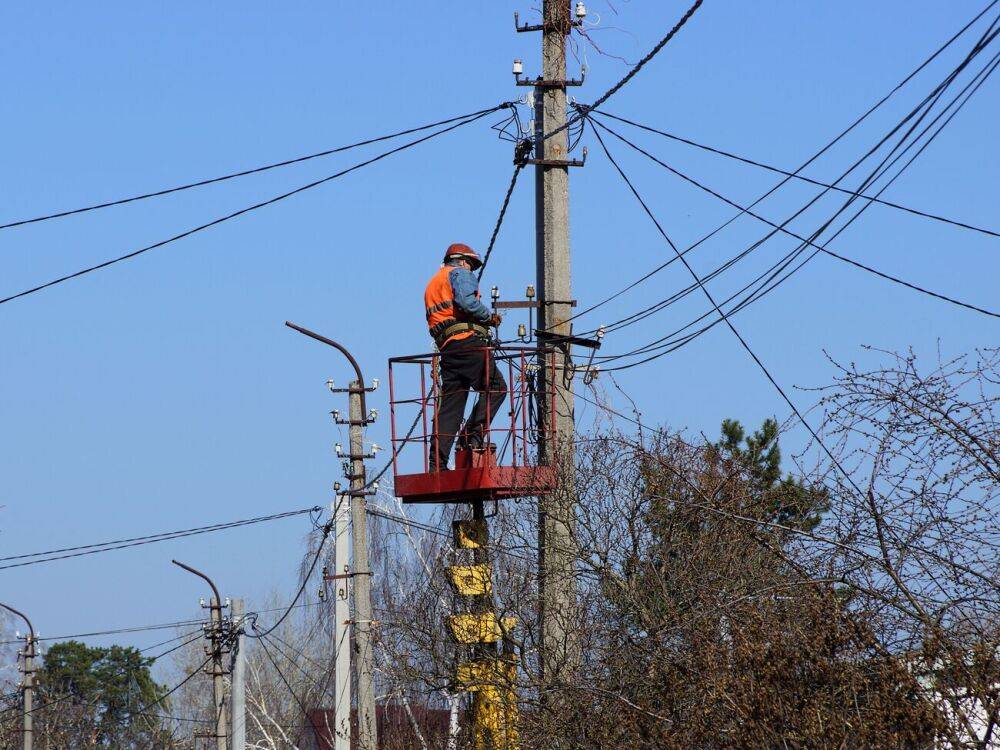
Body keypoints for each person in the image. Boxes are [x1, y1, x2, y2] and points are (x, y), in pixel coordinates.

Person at [424, 243, 507, 471]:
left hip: (448, 349)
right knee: (497, 388)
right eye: (470, 264)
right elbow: (466, 302)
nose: (471, 269)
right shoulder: (460, 274)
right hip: (468, 343)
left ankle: (437, 465)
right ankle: (471, 436)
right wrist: (488, 317)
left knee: (451, 406)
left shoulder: (433, 283)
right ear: (461, 260)